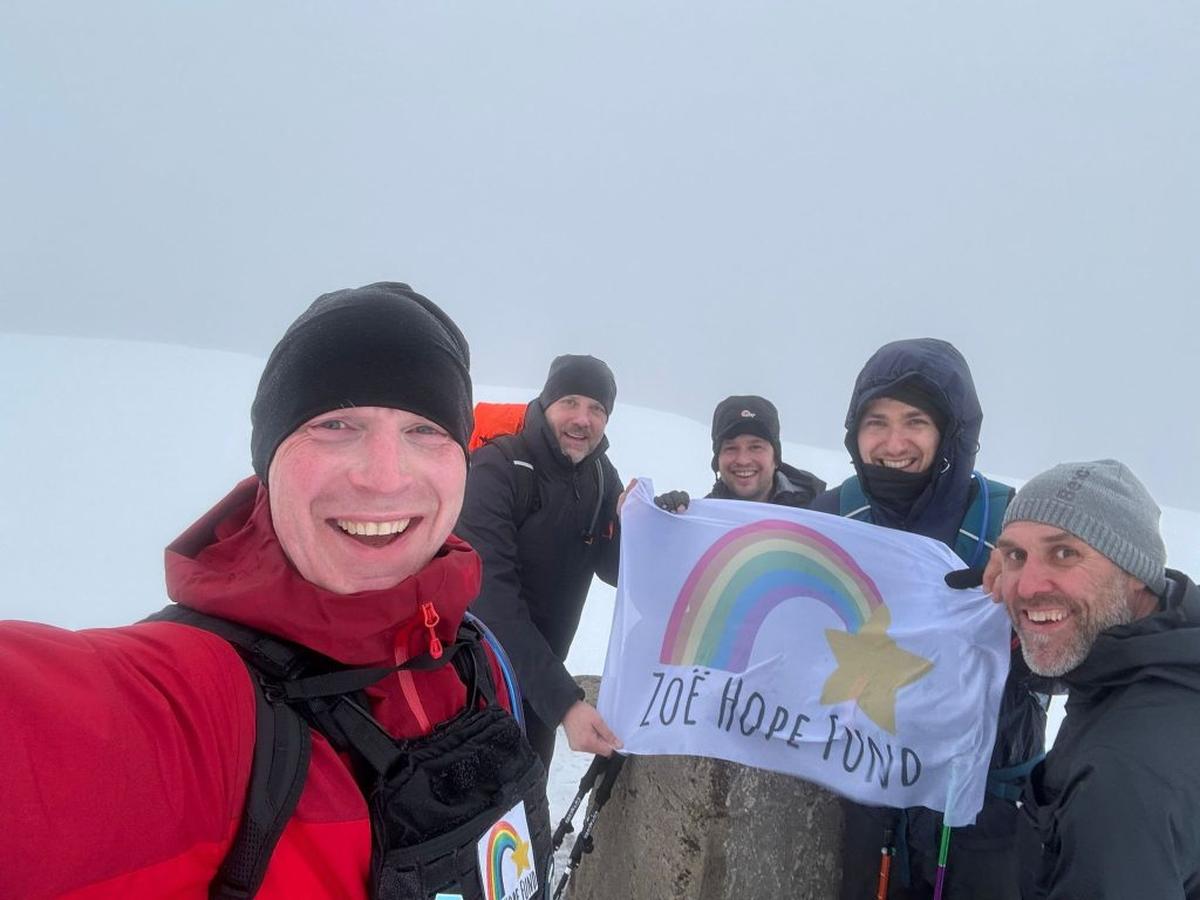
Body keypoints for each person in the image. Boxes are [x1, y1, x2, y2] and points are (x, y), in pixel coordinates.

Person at [0, 283, 545, 899]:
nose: (385, 477)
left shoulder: (475, 655)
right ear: (269, 460)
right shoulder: (200, 706)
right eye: (336, 423)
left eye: (424, 429)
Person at [809, 337, 1046, 900]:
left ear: (950, 433)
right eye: (876, 422)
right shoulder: (835, 516)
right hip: (864, 800)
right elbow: (764, 599)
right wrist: (666, 527)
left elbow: (1073, 653)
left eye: (915, 421)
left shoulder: (1012, 522)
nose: (894, 442)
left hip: (986, 807)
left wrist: (1020, 624)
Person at [985, 459, 1200, 898]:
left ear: (1136, 572)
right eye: (1015, 555)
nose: (1026, 586)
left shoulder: (1119, 773)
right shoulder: (1173, 661)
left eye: (1065, 553)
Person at [456, 354, 624, 768]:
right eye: (570, 402)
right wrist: (565, 703)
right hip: (475, 681)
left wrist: (645, 526)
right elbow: (489, 595)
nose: (582, 419)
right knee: (481, 814)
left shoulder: (600, 475)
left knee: (529, 810)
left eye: (596, 409)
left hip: (539, 682)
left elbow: (614, 568)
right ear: (546, 404)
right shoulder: (498, 467)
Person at [653, 394, 825, 512]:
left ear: (775, 457)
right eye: (731, 448)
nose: (743, 460)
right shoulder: (701, 521)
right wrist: (666, 525)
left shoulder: (822, 510)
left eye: (755, 447)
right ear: (717, 460)